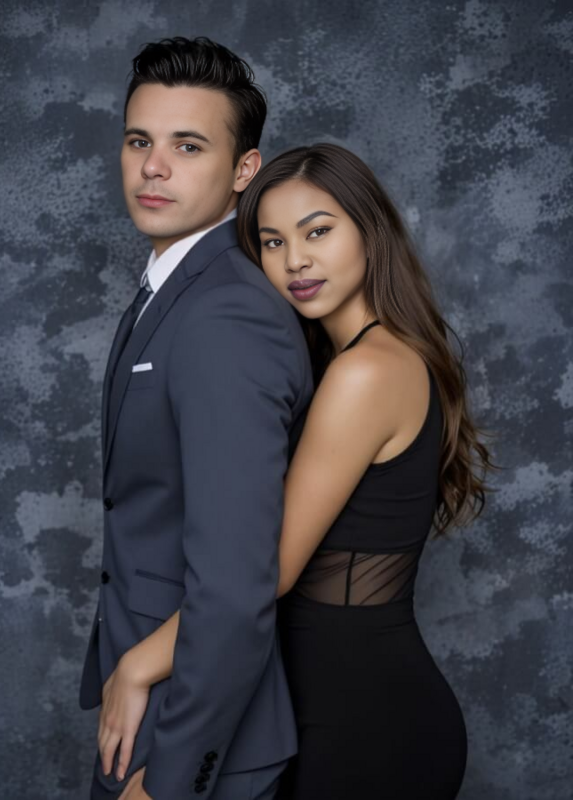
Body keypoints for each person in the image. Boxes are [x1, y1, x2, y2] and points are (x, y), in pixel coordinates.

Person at [122, 143, 494, 800]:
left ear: (370, 232)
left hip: (368, 725)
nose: (294, 260)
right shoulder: (350, 362)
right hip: (326, 710)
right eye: (272, 242)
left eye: (317, 231)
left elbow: (265, 572)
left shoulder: (367, 372)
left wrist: (137, 665)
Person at [79, 38, 313, 800]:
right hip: (145, 699)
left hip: (191, 734)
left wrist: (172, 780)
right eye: (139, 141)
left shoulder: (226, 314)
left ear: (244, 170)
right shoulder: (172, 289)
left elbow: (236, 586)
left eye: (188, 146)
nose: (153, 167)